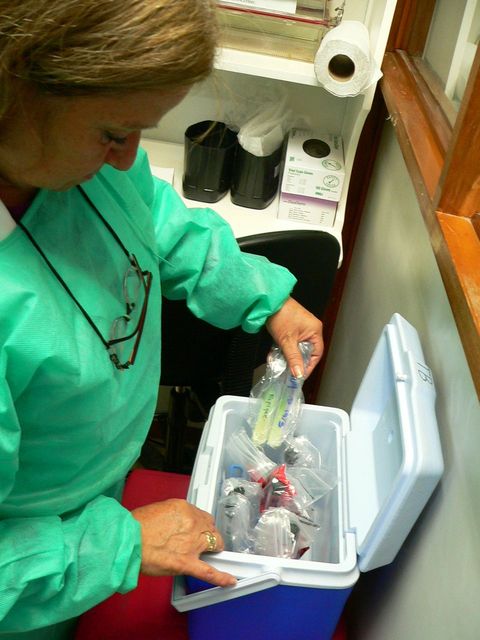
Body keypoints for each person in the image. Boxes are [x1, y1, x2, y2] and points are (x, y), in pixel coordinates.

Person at [0, 0, 324, 638]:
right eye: (112, 133)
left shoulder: (79, 169)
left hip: (93, 497)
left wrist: (264, 297)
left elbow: (152, 220)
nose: (127, 158)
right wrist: (113, 548)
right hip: (31, 576)